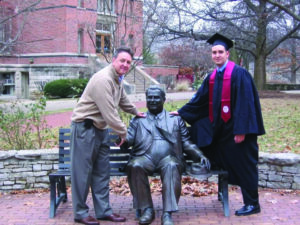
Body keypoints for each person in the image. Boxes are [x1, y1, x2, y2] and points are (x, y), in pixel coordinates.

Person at [173, 33, 265, 216]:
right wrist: (181, 112)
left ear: (227, 54)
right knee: (200, 134)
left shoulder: (240, 74)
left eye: (220, 52)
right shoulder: (212, 77)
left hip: (237, 131)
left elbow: (246, 104)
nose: (216, 55)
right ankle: (214, 175)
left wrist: (242, 130)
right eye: (214, 52)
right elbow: (200, 101)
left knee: (244, 165)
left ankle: (253, 204)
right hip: (220, 130)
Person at [70, 47, 144, 225]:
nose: (125, 65)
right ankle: (80, 213)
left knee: (102, 173)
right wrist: (124, 133)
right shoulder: (103, 79)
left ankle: (103, 211)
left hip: (101, 130)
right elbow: (110, 113)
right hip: (85, 129)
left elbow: (122, 100)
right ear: (114, 60)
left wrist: (136, 112)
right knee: (82, 174)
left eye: (128, 62)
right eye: (122, 61)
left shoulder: (117, 78)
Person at [124, 85, 210, 225]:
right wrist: (121, 139)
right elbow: (128, 140)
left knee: (171, 165)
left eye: (156, 97)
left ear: (163, 99)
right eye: (149, 97)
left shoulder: (175, 119)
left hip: (169, 158)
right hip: (145, 157)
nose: (152, 100)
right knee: (135, 165)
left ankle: (167, 214)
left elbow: (186, 143)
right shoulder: (138, 120)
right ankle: (147, 209)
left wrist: (199, 155)